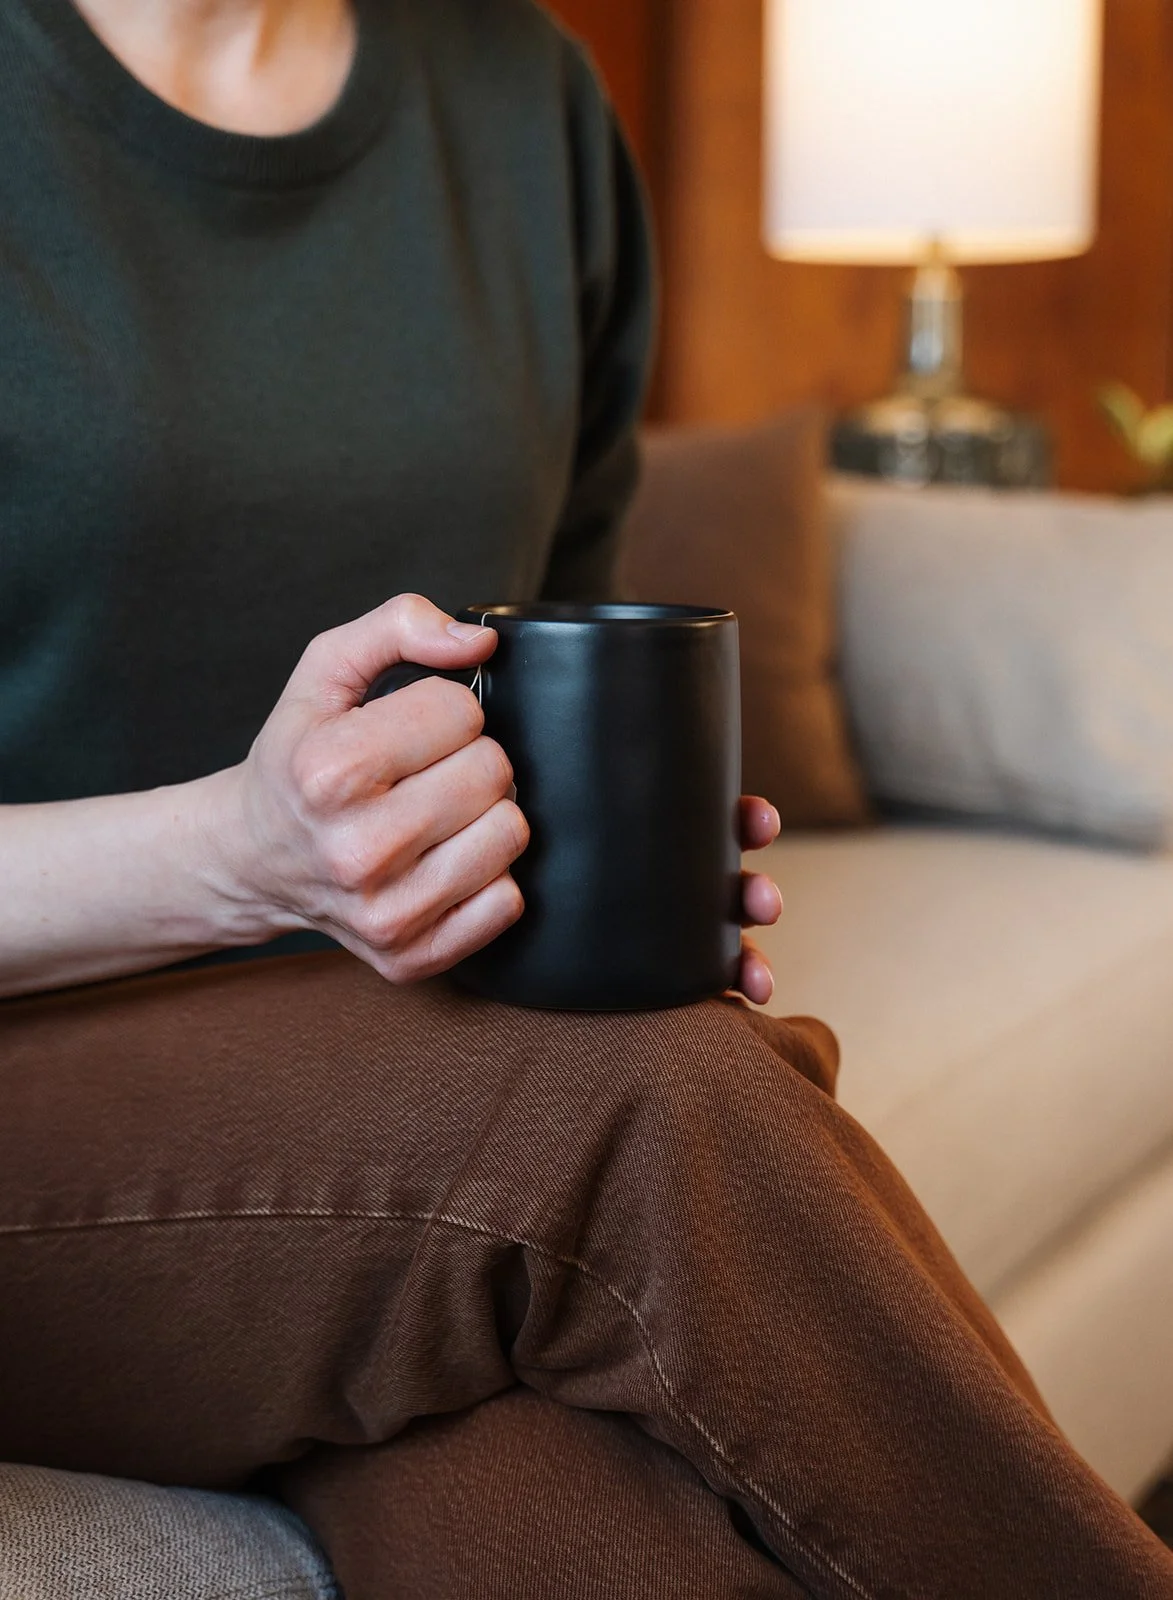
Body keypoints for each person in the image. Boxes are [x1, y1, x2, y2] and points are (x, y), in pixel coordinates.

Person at [1, 1, 1170, 1595]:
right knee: (658, 1100)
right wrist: (236, 859)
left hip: (384, 1082)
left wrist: (615, 850)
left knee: (592, 1524)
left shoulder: (519, 94)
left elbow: (550, 626)